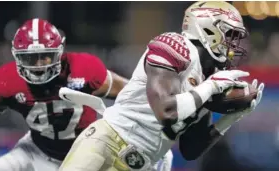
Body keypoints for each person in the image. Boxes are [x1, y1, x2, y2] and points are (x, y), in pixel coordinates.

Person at [58, 1, 265, 171]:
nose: (233, 45)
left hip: (142, 164)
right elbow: (165, 110)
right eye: (229, 35)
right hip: (106, 144)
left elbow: (190, 149)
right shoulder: (176, 47)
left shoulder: (209, 77)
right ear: (207, 28)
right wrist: (210, 87)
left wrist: (230, 118)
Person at [0, 18, 130, 171]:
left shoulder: (83, 68)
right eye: (31, 57)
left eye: (45, 56)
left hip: (85, 154)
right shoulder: (7, 79)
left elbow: (133, 93)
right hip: (36, 151)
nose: (39, 65)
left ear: (59, 52)